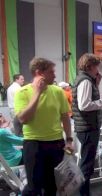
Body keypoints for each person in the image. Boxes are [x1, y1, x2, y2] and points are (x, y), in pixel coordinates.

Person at [14, 57, 73, 195]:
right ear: (39, 73)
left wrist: (69, 140)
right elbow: (23, 119)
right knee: (34, 187)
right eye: (51, 72)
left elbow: (65, 117)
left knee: (52, 186)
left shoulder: (58, 92)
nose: (55, 75)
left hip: (56, 144)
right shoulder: (22, 93)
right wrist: (37, 93)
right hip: (34, 144)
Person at [72, 53, 102, 196]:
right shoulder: (86, 81)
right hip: (88, 128)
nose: (98, 70)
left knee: (86, 163)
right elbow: (84, 105)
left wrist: (96, 84)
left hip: (86, 127)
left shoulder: (86, 80)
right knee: (86, 166)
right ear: (90, 66)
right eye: (96, 67)